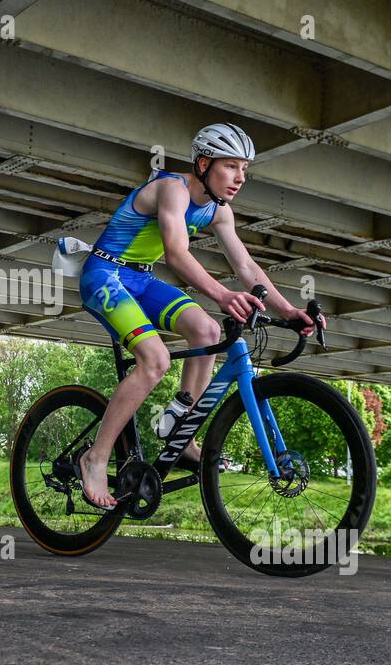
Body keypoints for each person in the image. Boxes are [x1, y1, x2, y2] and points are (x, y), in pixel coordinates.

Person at [77, 123, 321, 510]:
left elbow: (246, 266)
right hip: (104, 274)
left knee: (207, 330)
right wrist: (223, 295)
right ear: (204, 164)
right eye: (230, 167)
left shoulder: (219, 211)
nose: (240, 177)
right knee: (154, 360)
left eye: (244, 168)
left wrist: (290, 310)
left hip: (139, 279)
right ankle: (95, 457)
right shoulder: (171, 189)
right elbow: (175, 253)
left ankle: (178, 420)